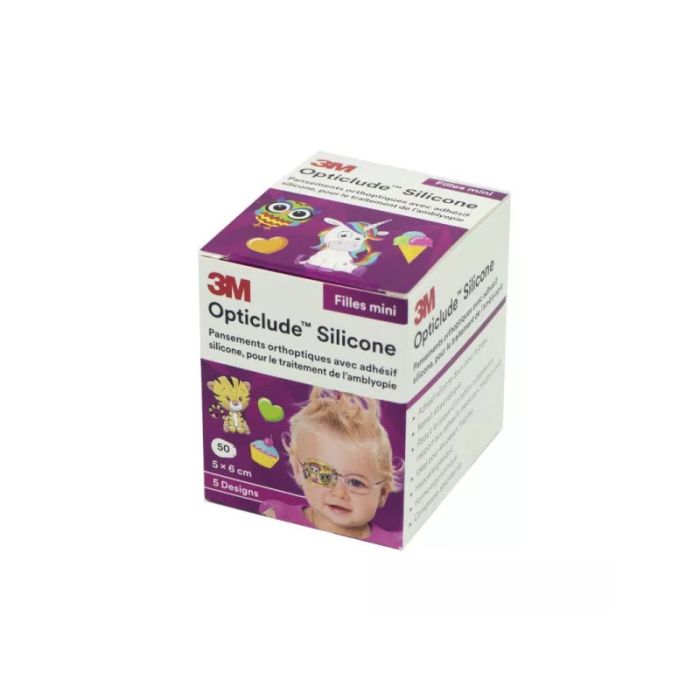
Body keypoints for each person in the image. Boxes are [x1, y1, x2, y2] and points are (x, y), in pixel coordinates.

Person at [259, 388, 402, 547]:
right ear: (298, 470)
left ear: (382, 494)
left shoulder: (391, 544)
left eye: (355, 482)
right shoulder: (278, 517)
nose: (339, 493)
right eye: (323, 474)